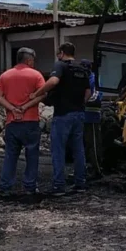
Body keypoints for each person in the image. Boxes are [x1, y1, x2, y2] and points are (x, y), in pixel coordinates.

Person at [30, 42, 91, 196]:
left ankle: (58, 186)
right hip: (79, 114)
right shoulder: (82, 69)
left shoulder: (61, 66)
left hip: (63, 114)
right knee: (79, 150)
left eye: (59, 53)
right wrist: (81, 104)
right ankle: (80, 183)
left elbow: (53, 81)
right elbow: (88, 92)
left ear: (62, 53)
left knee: (58, 150)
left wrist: (37, 93)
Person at [0, 47, 46, 197]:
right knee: (32, 155)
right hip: (30, 121)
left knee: (10, 155)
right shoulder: (36, 75)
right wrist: (24, 107)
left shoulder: (5, 76)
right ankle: (30, 187)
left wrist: (12, 108)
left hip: (12, 122)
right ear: (29, 60)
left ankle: (4, 188)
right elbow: (43, 95)